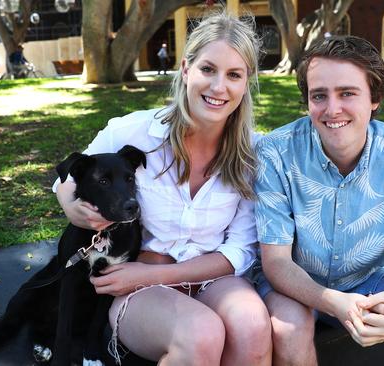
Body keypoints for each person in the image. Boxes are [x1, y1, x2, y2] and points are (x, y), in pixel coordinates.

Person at [54, 12, 271, 365]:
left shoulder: (253, 154)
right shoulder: (137, 132)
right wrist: (71, 208)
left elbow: (240, 251)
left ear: (247, 81)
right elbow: (68, 178)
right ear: (186, 69)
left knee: (253, 326)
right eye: (208, 69)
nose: (219, 87)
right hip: (140, 286)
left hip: (210, 278)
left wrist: (161, 273)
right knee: (202, 333)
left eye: (234, 74)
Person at [252, 35, 384, 365]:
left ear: (374, 98)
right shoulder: (276, 151)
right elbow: (276, 262)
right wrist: (332, 301)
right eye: (319, 95)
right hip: (291, 283)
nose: (332, 109)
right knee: (289, 328)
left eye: (347, 93)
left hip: (363, 280)